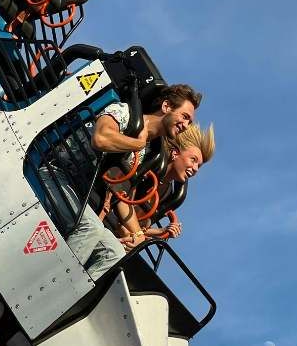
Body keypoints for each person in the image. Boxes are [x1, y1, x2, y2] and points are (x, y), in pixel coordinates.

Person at [66, 83, 203, 277]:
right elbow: (100, 138)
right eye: (185, 116)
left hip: (81, 192)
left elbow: (122, 194)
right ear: (166, 107)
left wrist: (139, 235)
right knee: (91, 228)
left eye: (189, 121)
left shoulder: (148, 153)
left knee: (113, 253)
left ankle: (69, 300)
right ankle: (51, 285)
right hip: (61, 174)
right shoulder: (126, 114)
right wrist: (137, 142)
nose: (186, 125)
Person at [109, 122, 215, 250]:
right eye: (193, 160)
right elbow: (118, 197)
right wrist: (135, 234)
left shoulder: (168, 192)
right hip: (106, 217)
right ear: (175, 153)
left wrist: (161, 231)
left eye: (199, 166)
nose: (196, 169)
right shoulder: (148, 160)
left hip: (122, 239)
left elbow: (141, 227)